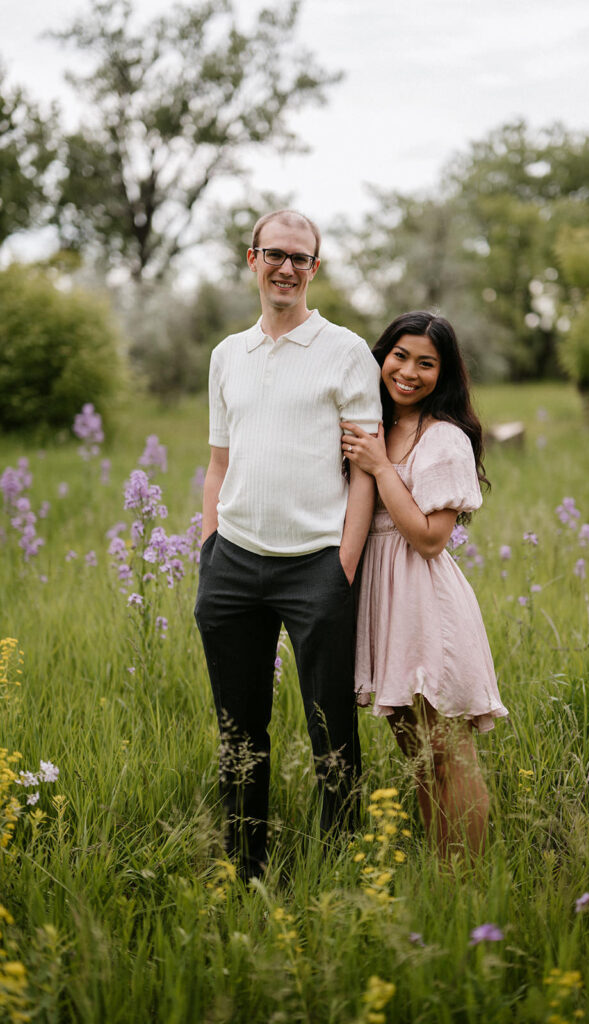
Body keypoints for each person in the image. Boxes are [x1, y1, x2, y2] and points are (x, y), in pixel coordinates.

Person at [194, 210, 381, 881]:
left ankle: (341, 868)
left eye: (301, 258)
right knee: (239, 733)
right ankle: (245, 865)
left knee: (333, 730)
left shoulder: (347, 351)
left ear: (315, 269)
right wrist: (210, 549)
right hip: (234, 565)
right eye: (275, 254)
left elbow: (366, 467)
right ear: (252, 260)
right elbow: (218, 462)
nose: (287, 268)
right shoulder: (226, 356)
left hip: (316, 568)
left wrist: (343, 567)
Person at [341, 310, 508, 859]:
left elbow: (431, 538)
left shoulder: (444, 440)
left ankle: (466, 878)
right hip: (385, 601)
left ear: (445, 373)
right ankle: (442, 871)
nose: (409, 371)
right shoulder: (373, 425)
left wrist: (382, 468)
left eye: (427, 363)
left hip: (426, 601)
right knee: (414, 749)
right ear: (381, 357)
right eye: (400, 356)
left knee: (448, 752)